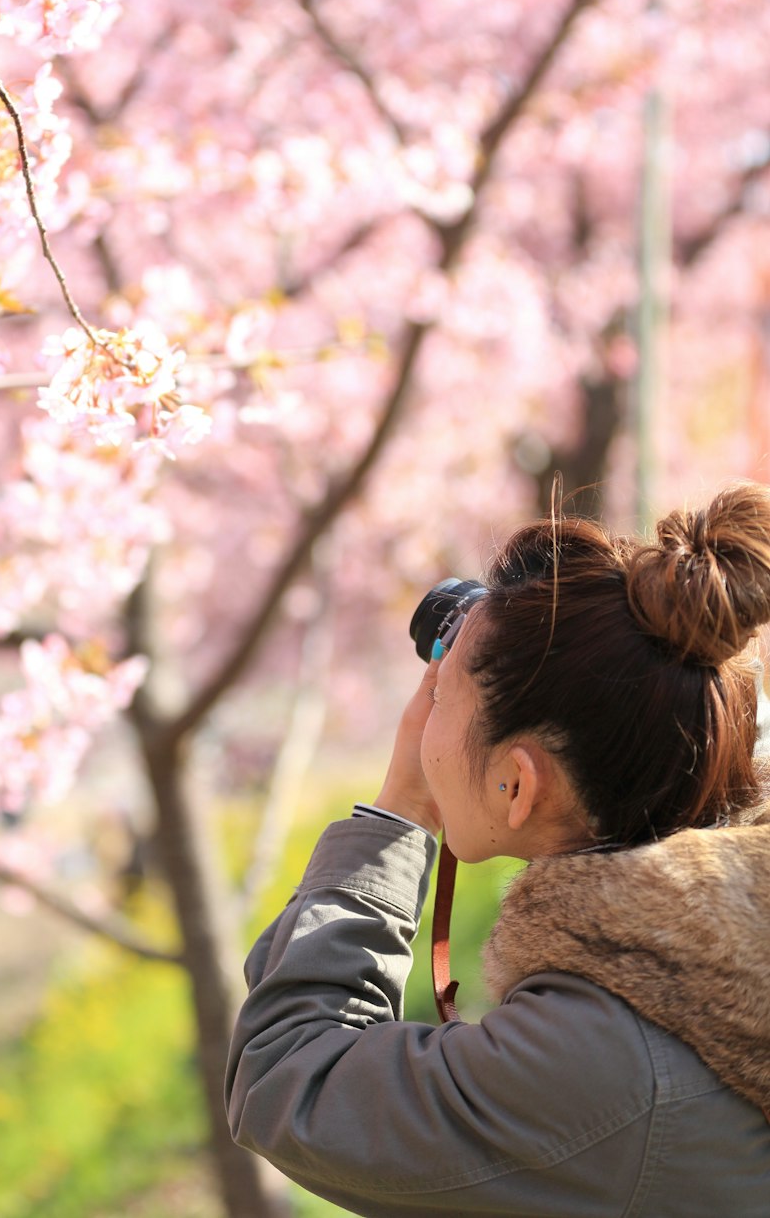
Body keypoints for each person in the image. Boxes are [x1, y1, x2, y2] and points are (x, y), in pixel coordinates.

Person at [225, 482, 770, 1217]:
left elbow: (286, 1079)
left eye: (440, 695)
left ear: (517, 786)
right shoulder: (715, 956)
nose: (423, 715)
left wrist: (400, 810)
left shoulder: (602, 1062)